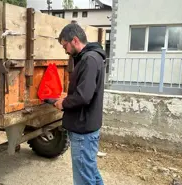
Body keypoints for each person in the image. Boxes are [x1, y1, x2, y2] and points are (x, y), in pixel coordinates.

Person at [54, 23, 106, 185]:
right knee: (90, 172)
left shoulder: (89, 60)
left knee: (84, 178)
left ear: (75, 40)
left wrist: (63, 103)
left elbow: (84, 97)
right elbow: (86, 90)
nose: (65, 51)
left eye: (65, 46)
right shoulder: (92, 57)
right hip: (88, 126)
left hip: (83, 130)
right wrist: (69, 95)